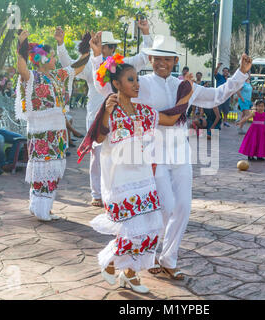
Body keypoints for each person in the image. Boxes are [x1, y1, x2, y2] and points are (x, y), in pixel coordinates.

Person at [89, 33, 252, 280]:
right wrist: (97, 57)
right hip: (153, 156)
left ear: (175, 61)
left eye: (167, 59)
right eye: (157, 58)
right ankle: (148, 256)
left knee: (184, 208)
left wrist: (241, 73)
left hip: (180, 155)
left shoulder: (184, 87)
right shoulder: (140, 83)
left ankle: (169, 259)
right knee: (164, 208)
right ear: (151, 58)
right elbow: (106, 86)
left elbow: (217, 96)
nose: (161, 63)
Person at [78, 61, 193, 294]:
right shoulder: (111, 110)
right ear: (116, 84)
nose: (137, 84)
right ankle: (111, 263)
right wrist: (107, 112)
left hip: (144, 177)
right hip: (120, 182)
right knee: (132, 229)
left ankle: (130, 274)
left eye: (137, 79)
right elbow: (98, 138)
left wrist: (186, 93)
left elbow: (170, 119)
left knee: (152, 227)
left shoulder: (143, 111)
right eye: (131, 80)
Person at [56, 22, 152, 207]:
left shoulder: (123, 65)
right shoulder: (90, 64)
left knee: (121, 156)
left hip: (121, 118)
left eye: (113, 46)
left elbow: (144, 57)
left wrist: (146, 32)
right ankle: (97, 194)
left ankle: (118, 191)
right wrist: (61, 45)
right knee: (97, 157)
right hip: (97, 117)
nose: (112, 48)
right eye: (108, 45)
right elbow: (68, 66)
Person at [16, 30, 87, 221]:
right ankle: (41, 208)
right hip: (40, 133)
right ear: (42, 59)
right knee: (42, 169)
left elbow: (78, 67)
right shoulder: (30, 77)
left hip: (57, 131)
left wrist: (88, 46)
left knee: (53, 169)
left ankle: (41, 206)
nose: (55, 58)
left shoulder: (58, 75)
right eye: (53, 56)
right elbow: (21, 67)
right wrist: (22, 45)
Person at [214, 62, 232, 127]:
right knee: (218, 110)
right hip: (219, 96)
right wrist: (218, 66)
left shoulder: (230, 79)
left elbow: (231, 88)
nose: (225, 72)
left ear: (228, 72)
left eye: (226, 71)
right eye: (224, 71)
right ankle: (218, 121)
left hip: (226, 97)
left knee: (226, 110)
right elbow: (215, 72)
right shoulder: (219, 77)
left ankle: (225, 122)